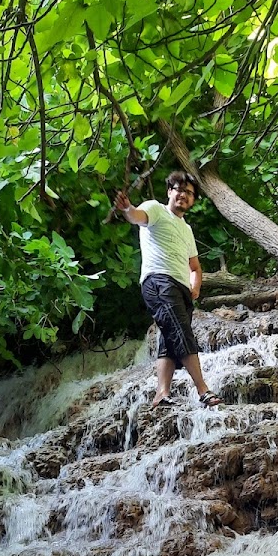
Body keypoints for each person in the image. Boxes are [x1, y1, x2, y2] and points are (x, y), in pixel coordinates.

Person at [113, 172, 222, 408]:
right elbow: (136, 217)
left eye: (189, 193)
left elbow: (195, 266)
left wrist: (195, 287)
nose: (183, 194)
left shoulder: (187, 229)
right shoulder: (155, 209)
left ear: (193, 200)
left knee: (169, 339)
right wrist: (127, 209)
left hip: (181, 289)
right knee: (181, 332)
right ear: (169, 192)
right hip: (158, 281)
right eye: (178, 189)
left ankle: (161, 394)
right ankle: (203, 390)